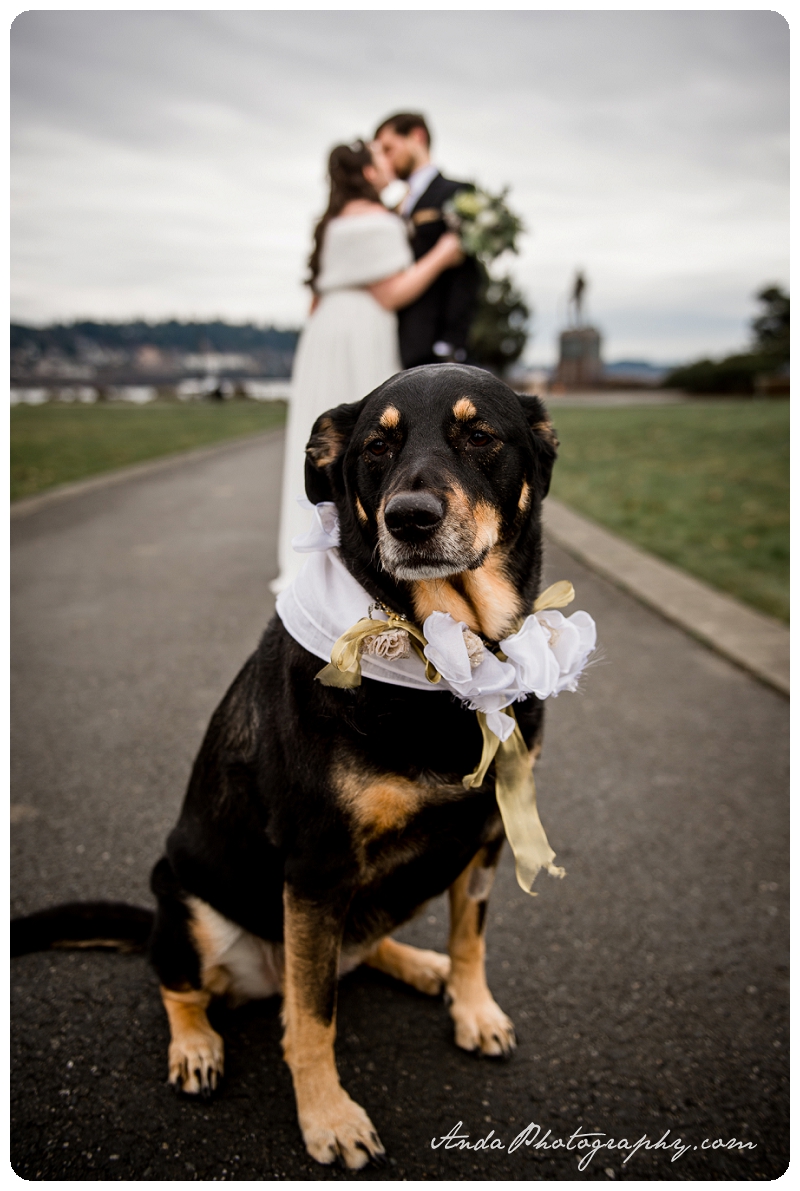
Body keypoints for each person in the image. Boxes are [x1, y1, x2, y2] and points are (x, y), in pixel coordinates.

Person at [271, 138, 464, 593]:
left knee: (322, 436)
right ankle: (373, 553)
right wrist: (444, 253)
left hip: (323, 333)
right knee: (376, 441)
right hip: (362, 331)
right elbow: (391, 292)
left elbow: (315, 296)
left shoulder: (328, 225)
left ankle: (311, 552)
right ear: (370, 174)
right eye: (379, 160)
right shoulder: (379, 222)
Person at [374, 112, 481, 370]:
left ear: (417, 137)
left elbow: (467, 276)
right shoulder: (392, 207)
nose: (385, 159)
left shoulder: (457, 193)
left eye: (389, 148)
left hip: (435, 345)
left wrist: (451, 343)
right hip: (392, 342)